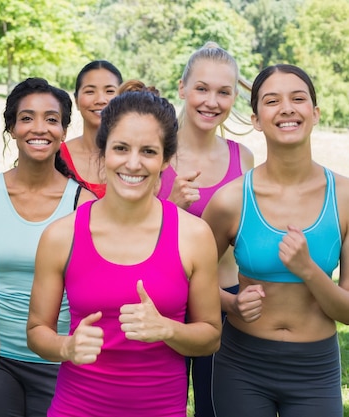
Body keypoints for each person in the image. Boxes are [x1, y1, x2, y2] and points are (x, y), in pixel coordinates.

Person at [27, 90, 222, 416]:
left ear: (164, 160)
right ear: (102, 153)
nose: (133, 163)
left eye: (148, 151)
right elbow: (36, 332)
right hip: (76, 408)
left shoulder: (194, 235)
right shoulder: (61, 235)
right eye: (120, 148)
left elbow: (211, 337)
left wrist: (168, 329)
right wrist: (67, 346)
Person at [203, 64, 349, 417]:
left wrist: (308, 270)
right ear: (256, 119)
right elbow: (188, 278)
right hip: (242, 365)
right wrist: (230, 304)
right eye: (272, 100)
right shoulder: (230, 199)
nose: (286, 108)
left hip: (316, 369)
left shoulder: (345, 197)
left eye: (298, 99)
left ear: (314, 113)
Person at [0, 78, 95, 417]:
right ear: (11, 128)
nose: (40, 128)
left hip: (60, 360)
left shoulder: (84, 205)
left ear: (64, 131)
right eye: (27, 118)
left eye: (51, 119)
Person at [155, 42, 254, 417]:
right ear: (182, 88)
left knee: (219, 408)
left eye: (223, 92)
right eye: (201, 88)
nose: (212, 101)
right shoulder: (152, 154)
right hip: (164, 300)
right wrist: (172, 208)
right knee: (162, 406)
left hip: (226, 301)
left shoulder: (242, 157)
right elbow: (129, 233)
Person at [59, 60, 123, 198]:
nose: (100, 99)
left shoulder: (136, 158)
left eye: (110, 91)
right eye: (90, 91)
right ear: (76, 101)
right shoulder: (56, 157)